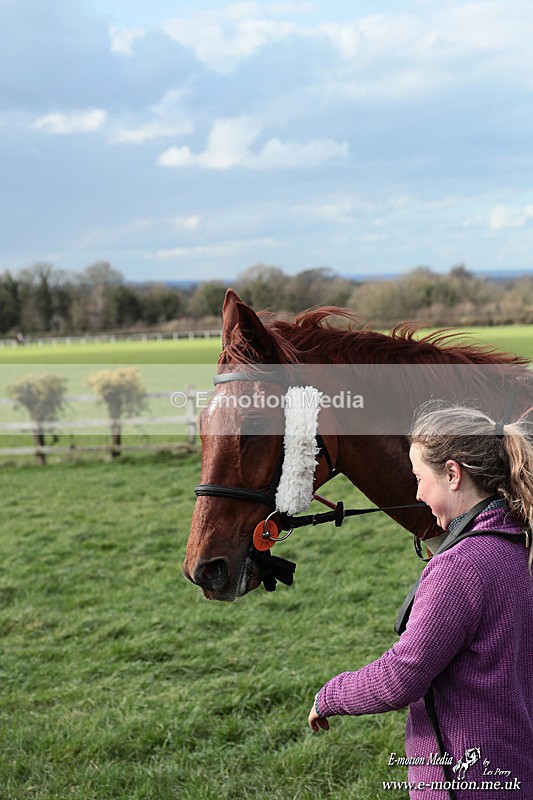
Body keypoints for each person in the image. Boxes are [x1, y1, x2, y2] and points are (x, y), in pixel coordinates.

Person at [308, 402, 533, 799]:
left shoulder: (461, 568)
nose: (415, 493)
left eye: (418, 478)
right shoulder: (522, 541)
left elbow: (401, 677)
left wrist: (330, 696)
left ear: (451, 473)